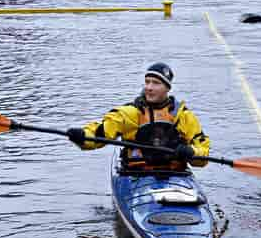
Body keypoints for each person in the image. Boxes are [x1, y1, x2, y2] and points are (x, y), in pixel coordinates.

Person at [68, 63, 210, 173]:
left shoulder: (182, 116)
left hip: (174, 174)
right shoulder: (129, 113)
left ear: (167, 88)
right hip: (136, 174)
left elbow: (202, 151)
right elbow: (98, 134)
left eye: (156, 83)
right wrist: (82, 136)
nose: (149, 87)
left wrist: (192, 152)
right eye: (147, 82)